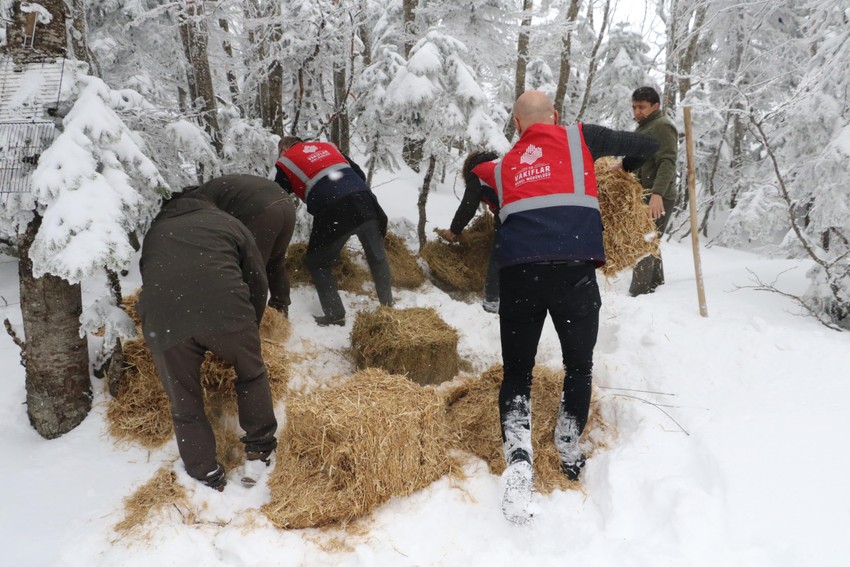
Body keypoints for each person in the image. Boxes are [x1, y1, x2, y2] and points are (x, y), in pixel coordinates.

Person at [495, 91, 660, 524]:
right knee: (579, 366)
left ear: (516, 125)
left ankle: (517, 453)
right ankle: (568, 448)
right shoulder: (578, 138)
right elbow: (648, 145)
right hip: (572, 273)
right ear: (555, 116)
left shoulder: (504, 164)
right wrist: (623, 171)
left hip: (518, 274)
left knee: (517, 370)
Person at [137, 192, 278, 491]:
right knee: (251, 374)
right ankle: (260, 449)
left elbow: (152, 279)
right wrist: (247, 324)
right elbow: (256, 276)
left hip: (165, 321)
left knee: (183, 399)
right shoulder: (227, 222)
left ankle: (205, 473)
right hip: (225, 308)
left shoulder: (156, 233)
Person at [274, 136, 393, 326]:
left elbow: (277, 195)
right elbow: (359, 174)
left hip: (333, 208)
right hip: (365, 201)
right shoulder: (327, 147)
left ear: (284, 149)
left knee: (317, 262)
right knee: (377, 257)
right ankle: (389, 310)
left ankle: (335, 315)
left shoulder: (286, 161)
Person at [195, 174, 296, 316]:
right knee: (275, 262)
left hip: (262, 209)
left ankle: (248, 319)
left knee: (251, 268)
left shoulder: (197, 201)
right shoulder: (214, 189)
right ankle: (280, 310)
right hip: (286, 204)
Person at [435, 150, 502, 313]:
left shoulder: (478, 173)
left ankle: (492, 301)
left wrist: (454, 230)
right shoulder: (501, 166)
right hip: (533, 209)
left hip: (513, 211)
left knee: (499, 254)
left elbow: (468, 206)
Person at [627, 86, 679, 296]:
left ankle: (639, 293)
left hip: (659, 195)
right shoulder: (647, 126)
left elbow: (667, 162)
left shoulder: (662, 126)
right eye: (634, 107)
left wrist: (657, 194)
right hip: (647, 193)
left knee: (644, 241)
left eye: (642, 107)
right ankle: (656, 286)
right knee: (650, 240)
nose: (637, 111)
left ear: (655, 106)